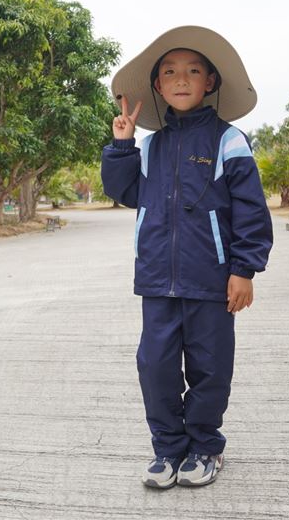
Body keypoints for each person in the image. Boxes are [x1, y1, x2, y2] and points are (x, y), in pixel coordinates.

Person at [101, 26, 273, 489]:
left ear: (210, 82)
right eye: (170, 72)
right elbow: (126, 192)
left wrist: (243, 269)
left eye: (193, 71)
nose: (181, 79)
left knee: (209, 368)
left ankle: (204, 447)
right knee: (154, 366)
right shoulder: (150, 146)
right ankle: (167, 450)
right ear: (157, 86)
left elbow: (251, 209)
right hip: (157, 279)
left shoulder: (228, 140)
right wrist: (122, 145)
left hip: (211, 280)